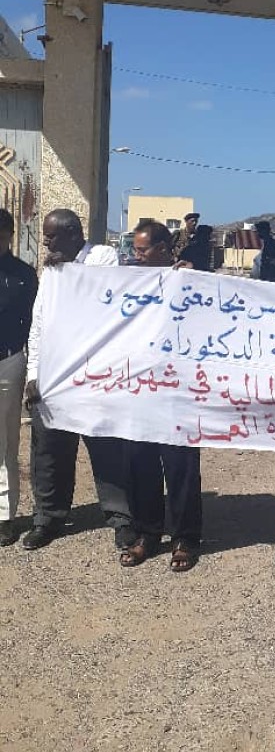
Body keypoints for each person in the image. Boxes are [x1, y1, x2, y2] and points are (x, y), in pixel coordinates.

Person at [23, 209, 134, 551]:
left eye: (52, 236)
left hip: (93, 373)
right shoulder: (53, 272)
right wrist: (33, 374)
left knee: (105, 446)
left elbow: (100, 292)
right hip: (55, 373)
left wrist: (64, 268)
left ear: (74, 234)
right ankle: (48, 516)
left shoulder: (101, 257)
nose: (45, 242)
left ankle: (120, 516)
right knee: (49, 447)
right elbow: (39, 323)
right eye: (45, 235)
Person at [120, 221, 202, 573]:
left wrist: (194, 277)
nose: (136, 256)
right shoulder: (126, 281)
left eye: (142, 250)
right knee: (141, 463)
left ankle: (185, 537)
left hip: (179, 388)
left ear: (165, 249)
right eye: (135, 250)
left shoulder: (191, 279)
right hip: (139, 386)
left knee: (181, 465)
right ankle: (148, 533)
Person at [0, 209, 38, 546]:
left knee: (4, 443)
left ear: (9, 234)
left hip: (7, 362)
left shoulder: (24, 275)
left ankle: (3, 517)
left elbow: (36, 323)